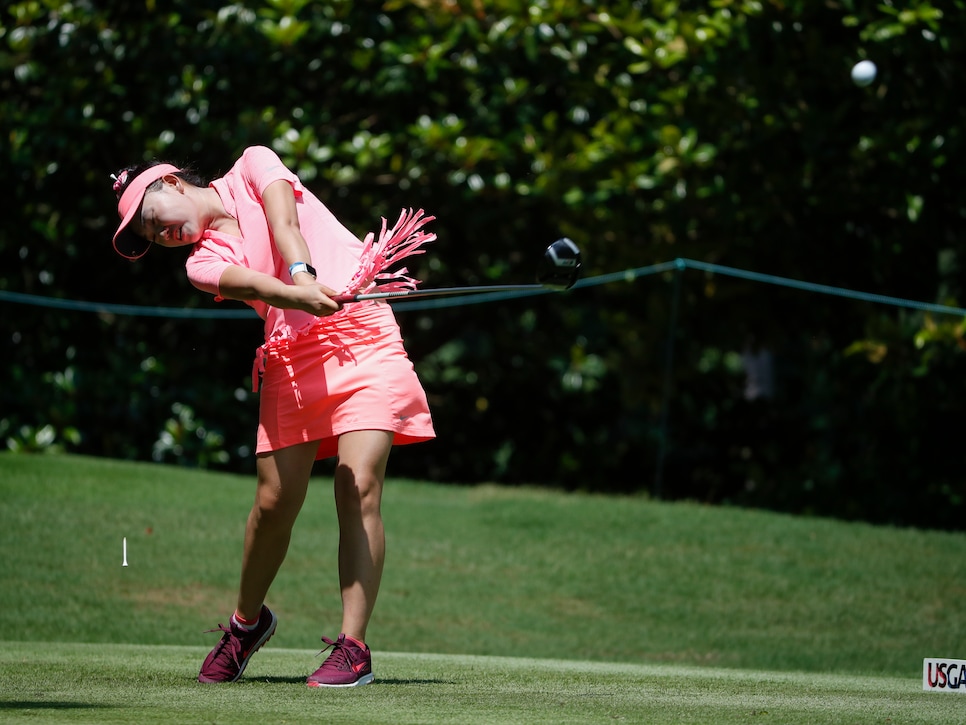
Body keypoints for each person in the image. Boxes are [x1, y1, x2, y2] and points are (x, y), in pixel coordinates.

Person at [110, 145, 436, 687]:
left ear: (170, 183)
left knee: (358, 485)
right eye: (148, 238)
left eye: (150, 219)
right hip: (290, 352)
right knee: (273, 504)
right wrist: (296, 293)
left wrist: (305, 275)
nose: (159, 236)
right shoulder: (200, 264)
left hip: (362, 331)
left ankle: (354, 649)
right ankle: (247, 624)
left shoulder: (253, 163)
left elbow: (285, 221)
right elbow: (257, 285)